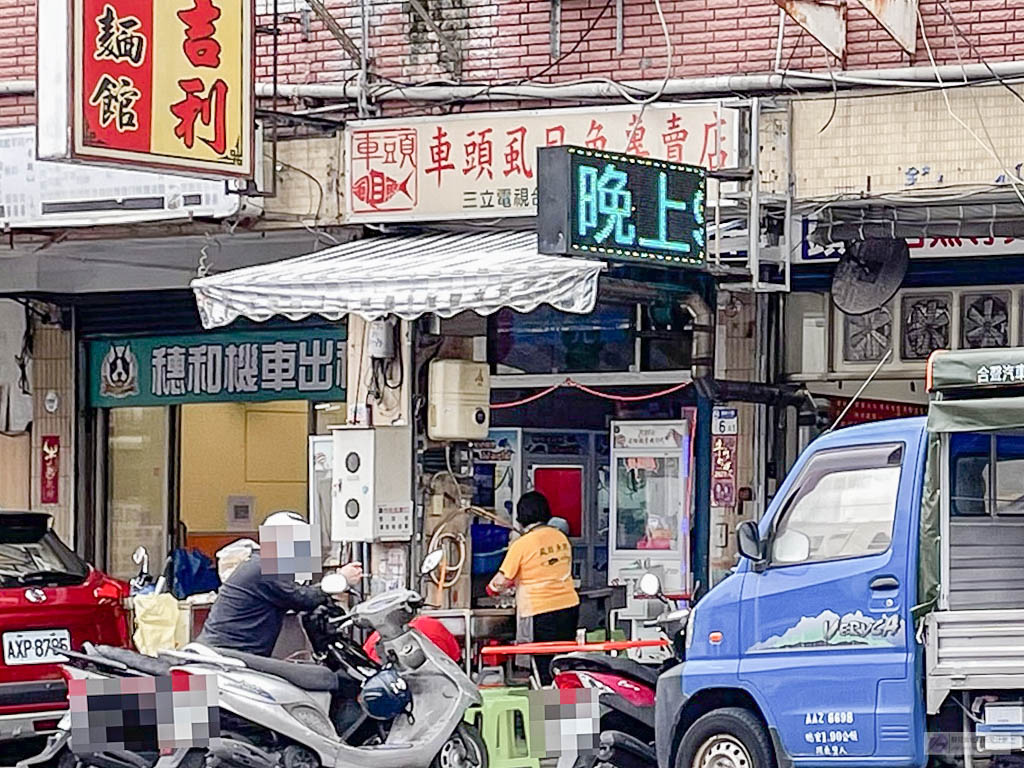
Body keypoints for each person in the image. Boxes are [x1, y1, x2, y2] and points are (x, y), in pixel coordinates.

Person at [196, 510, 363, 657]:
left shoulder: (259, 564)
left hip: (230, 650)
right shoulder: (267, 568)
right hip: (232, 653)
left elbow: (297, 593)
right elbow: (303, 598)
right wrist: (342, 579)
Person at [487, 491, 580, 685]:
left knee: (543, 667)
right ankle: (574, 712)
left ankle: (548, 714)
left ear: (521, 518)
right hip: (569, 608)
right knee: (566, 663)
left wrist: (492, 589)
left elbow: (502, 580)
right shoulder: (561, 538)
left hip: (540, 611)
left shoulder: (522, 544)